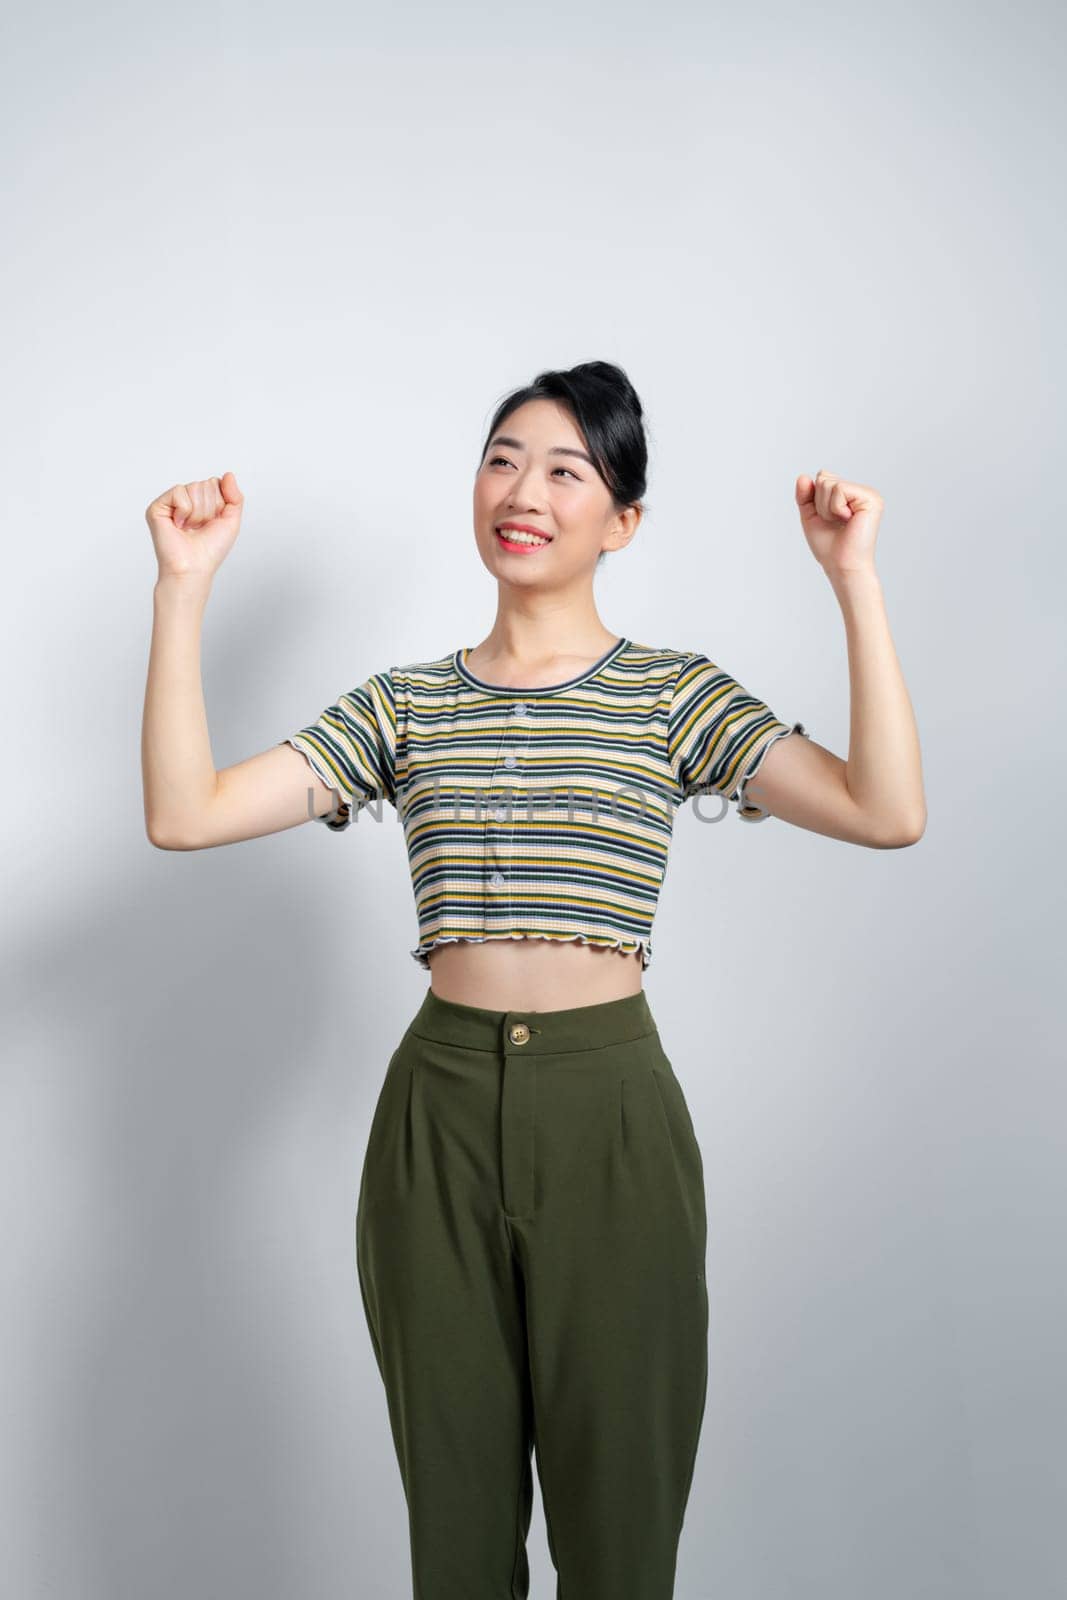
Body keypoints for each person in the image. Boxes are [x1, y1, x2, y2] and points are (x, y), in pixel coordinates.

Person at [141, 360, 926, 1599]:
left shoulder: (670, 695)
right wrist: (183, 592)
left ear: (621, 521)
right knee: (455, 1543)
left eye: (567, 470)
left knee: (618, 1542)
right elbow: (185, 815)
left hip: (609, 1117)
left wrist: (852, 579)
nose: (524, 490)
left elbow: (884, 810)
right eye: (503, 457)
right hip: (435, 1118)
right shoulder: (407, 705)